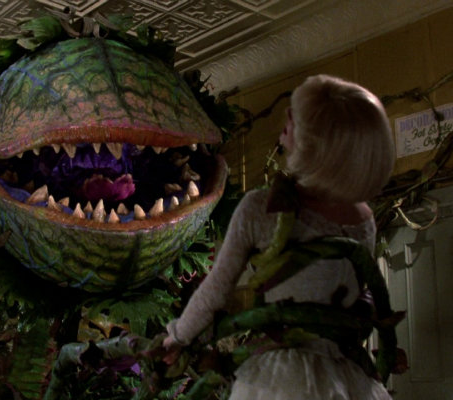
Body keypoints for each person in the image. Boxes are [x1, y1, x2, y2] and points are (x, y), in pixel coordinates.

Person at [163, 74, 396, 399]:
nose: (287, 114)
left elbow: (216, 290)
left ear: (320, 143)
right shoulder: (365, 219)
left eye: (300, 117)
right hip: (348, 376)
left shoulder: (262, 207)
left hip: (281, 376)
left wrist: (177, 337)